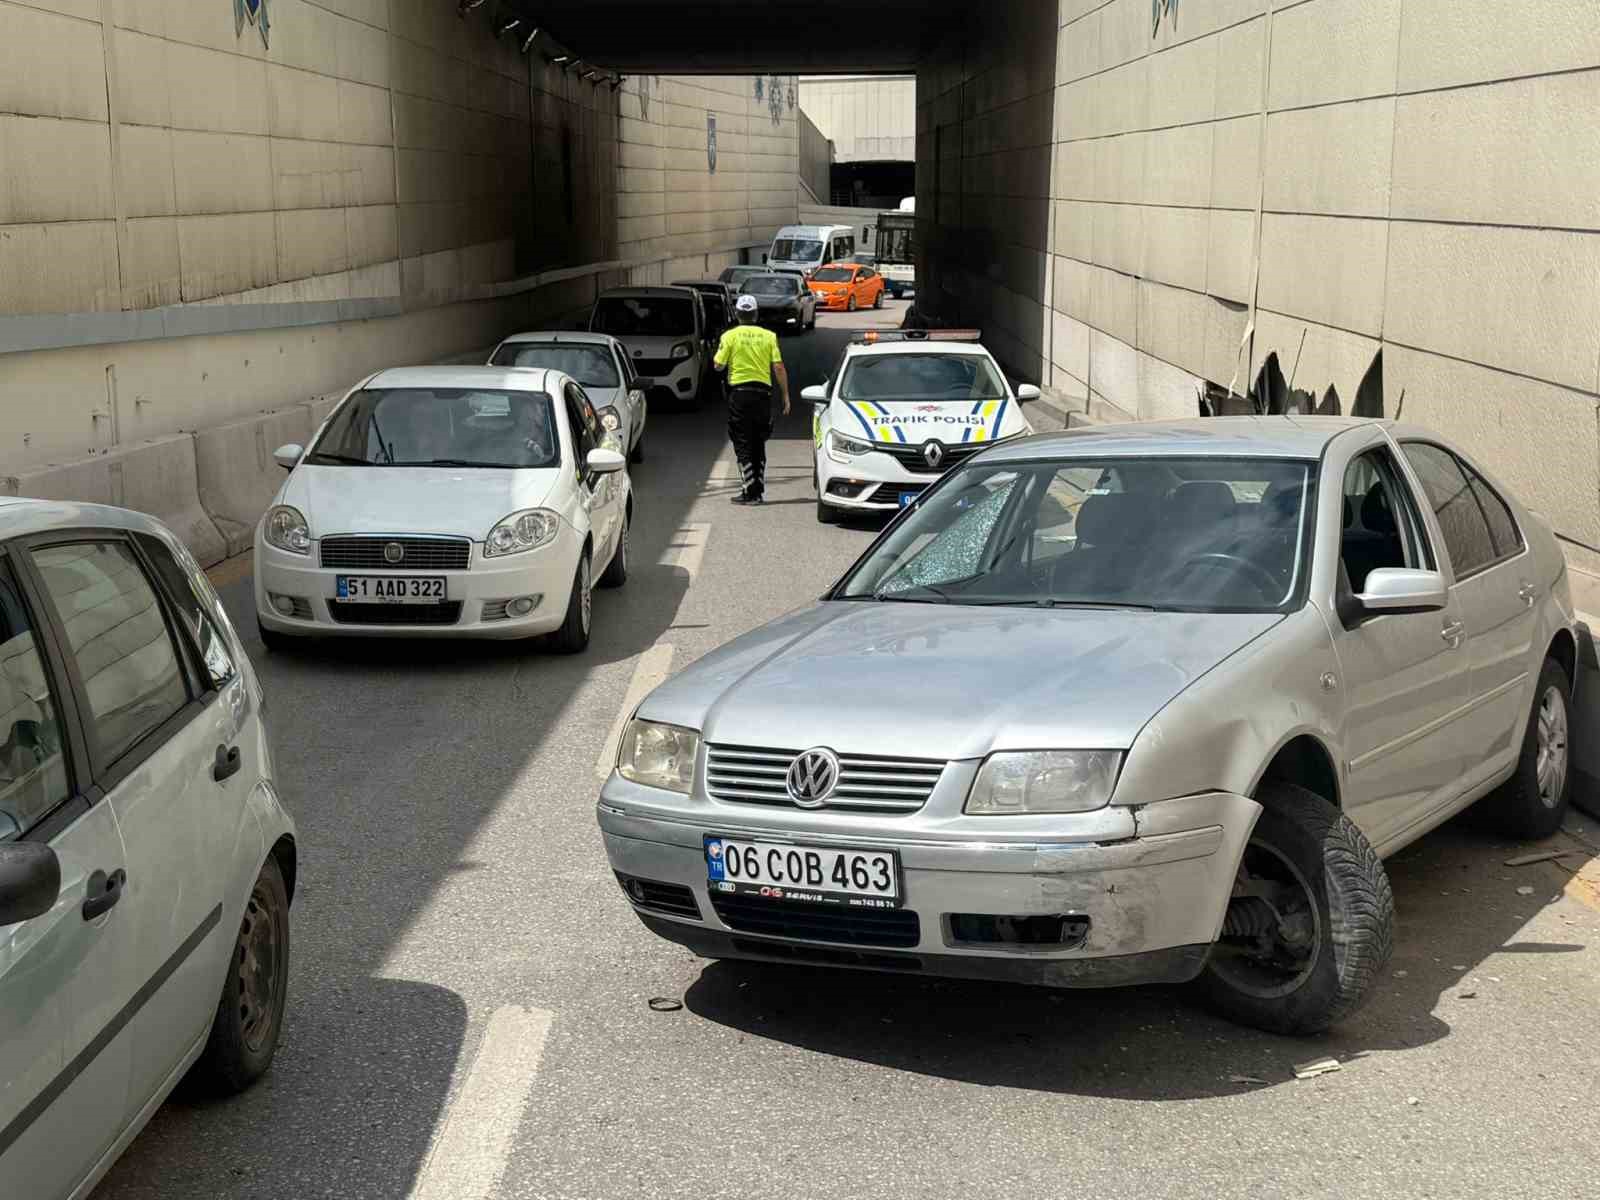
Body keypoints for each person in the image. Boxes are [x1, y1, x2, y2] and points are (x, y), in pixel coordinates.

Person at [713, 293, 790, 505]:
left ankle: (750, 491)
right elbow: (778, 367)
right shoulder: (769, 336)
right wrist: (785, 396)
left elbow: (718, 365)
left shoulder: (729, 336)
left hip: (739, 394)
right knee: (759, 440)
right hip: (763, 395)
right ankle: (759, 488)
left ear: (738, 314)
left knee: (743, 442)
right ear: (755, 314)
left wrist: (723, 362)